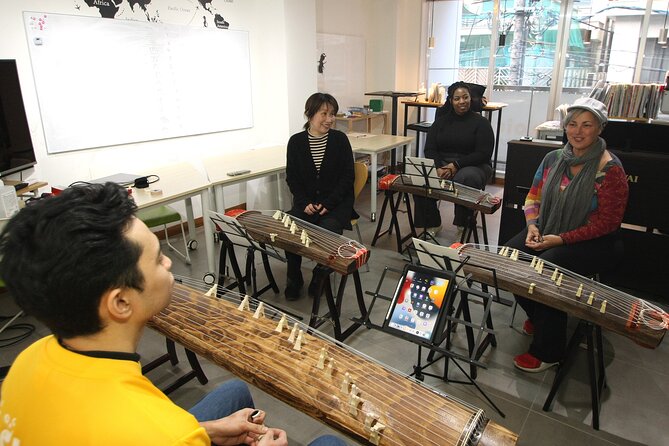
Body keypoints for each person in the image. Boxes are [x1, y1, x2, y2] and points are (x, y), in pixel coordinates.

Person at [0, 183, 347, 446]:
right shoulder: (166, 434)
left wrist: (207, 430)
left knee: (234, 393)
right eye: (157, 258)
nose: (169, 263)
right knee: (331, 443)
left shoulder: (26, 361)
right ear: (120, 303)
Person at [506, 97, 629, 372]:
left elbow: (606, 224)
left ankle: (548, 351)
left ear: (600, 129)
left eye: (587, 125)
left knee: (547, 266)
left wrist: (561, 239)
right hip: (549, 228)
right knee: (509, 256)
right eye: (572, 124)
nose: (578, 131)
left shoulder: (610, 170)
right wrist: (533, 226)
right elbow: (533, 196)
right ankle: (538, 315)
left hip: (597, 242)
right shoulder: (554, 158)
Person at [284, 92, 356, 300]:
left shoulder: (339, 140)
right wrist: (304, 202)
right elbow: (293, 178)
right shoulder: (296, 142)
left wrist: (328, 203)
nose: (330, 119)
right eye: (324, 113)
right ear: (310, 114)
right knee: (290, 230)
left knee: (327, 232)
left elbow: (347, 177)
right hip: (306, 203)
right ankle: (294, 276)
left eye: (332, 114)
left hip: (335, 204)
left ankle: (319, 276)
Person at [413, 81, 494, 238]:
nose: (462, 102)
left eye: (465, 97)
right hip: (443, 164)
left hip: (475, 165)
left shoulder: (481, 123)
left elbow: (484, 153)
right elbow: (430, 148)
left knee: (466, 177)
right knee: (421, 176)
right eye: (457, 98)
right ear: (451, 101)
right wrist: (438, 167)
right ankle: (432, 223)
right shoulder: (440, 122)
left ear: (471, 99)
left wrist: (456, 165)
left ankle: (463, 225)